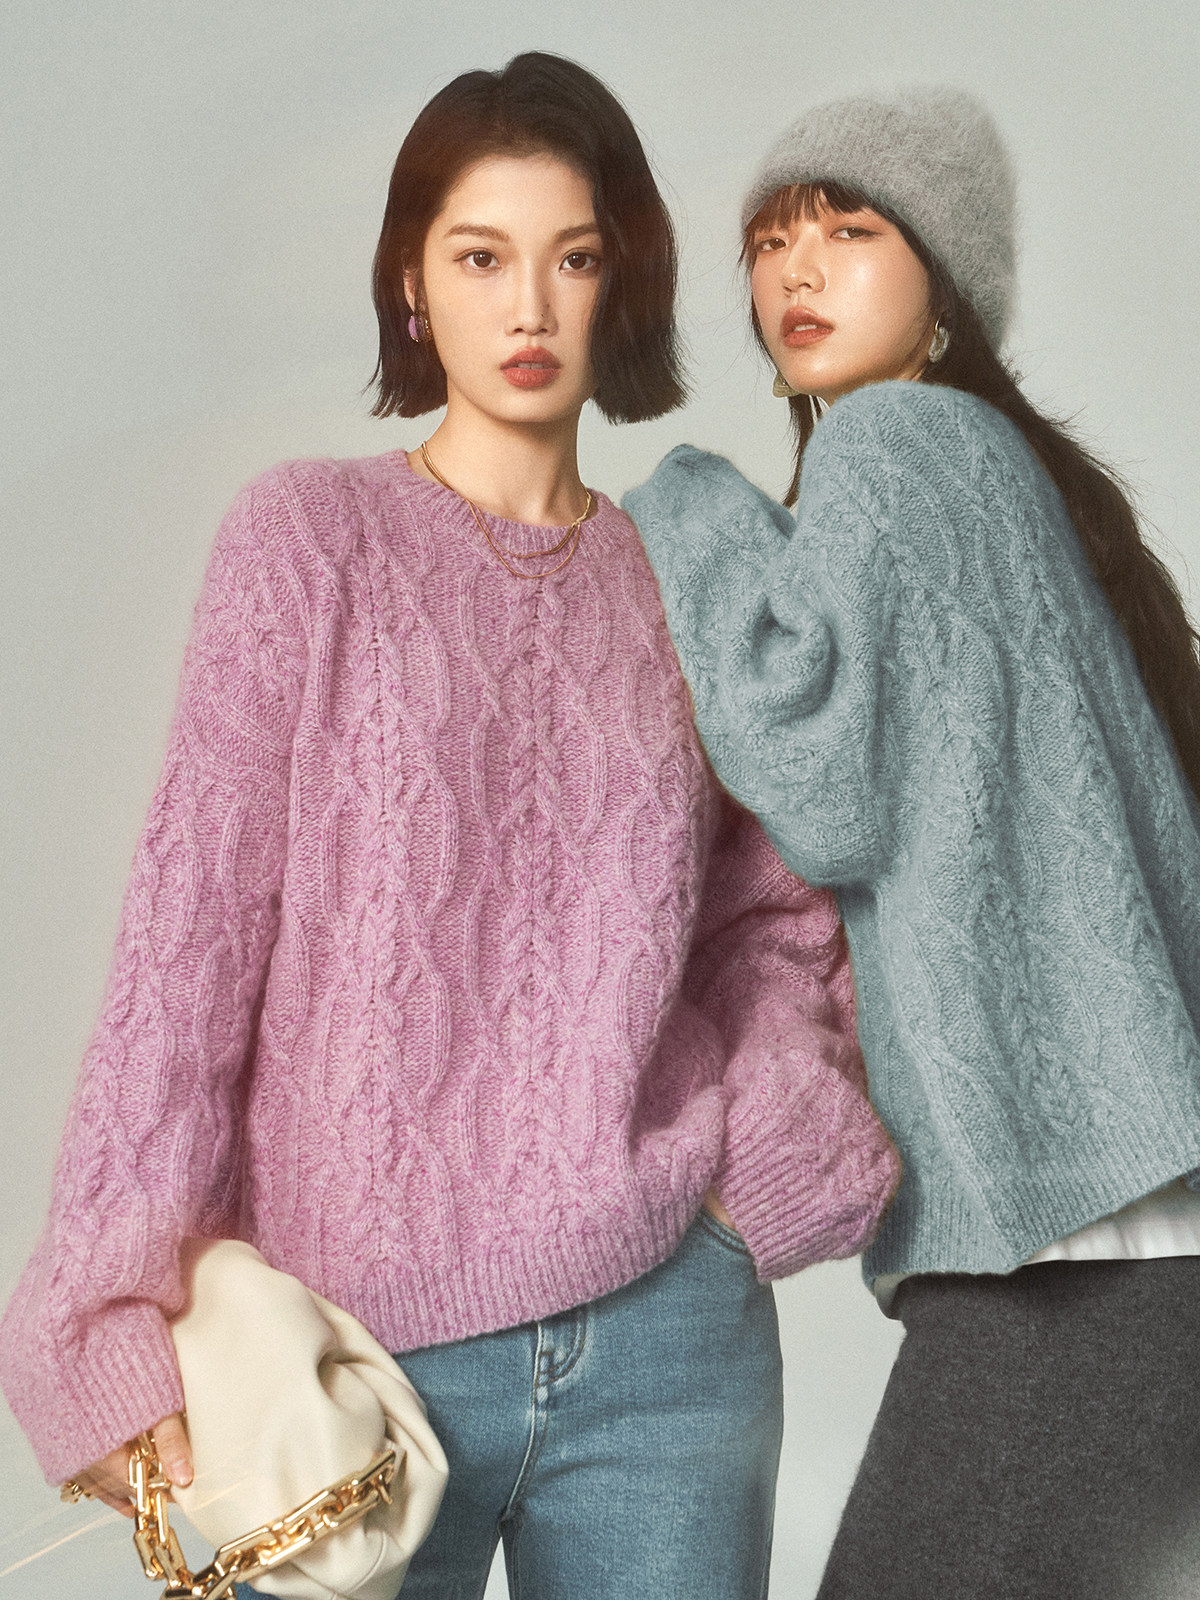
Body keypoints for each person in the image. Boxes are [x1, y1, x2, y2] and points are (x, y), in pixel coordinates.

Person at [0, 54, 901, 1600]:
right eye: (482, 258)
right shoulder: (308, 542)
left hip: (666, 1347)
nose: (529, 307)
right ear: (412, 284)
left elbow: (781, 915)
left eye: (573, 258)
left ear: (621, 284)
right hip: (356, 1364)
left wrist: (751, 1177)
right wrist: (106, 1313)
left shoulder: (690, 575)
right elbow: (189, 940)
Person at [625, 88, 1200, 1599]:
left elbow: (819, 781)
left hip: (1073, 1240)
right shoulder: (1006, 472)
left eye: (851, 230)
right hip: (1136, 1224)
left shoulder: (896, 443)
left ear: (944, 283)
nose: (797, 271)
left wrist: (686, 505)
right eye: (769, 243)